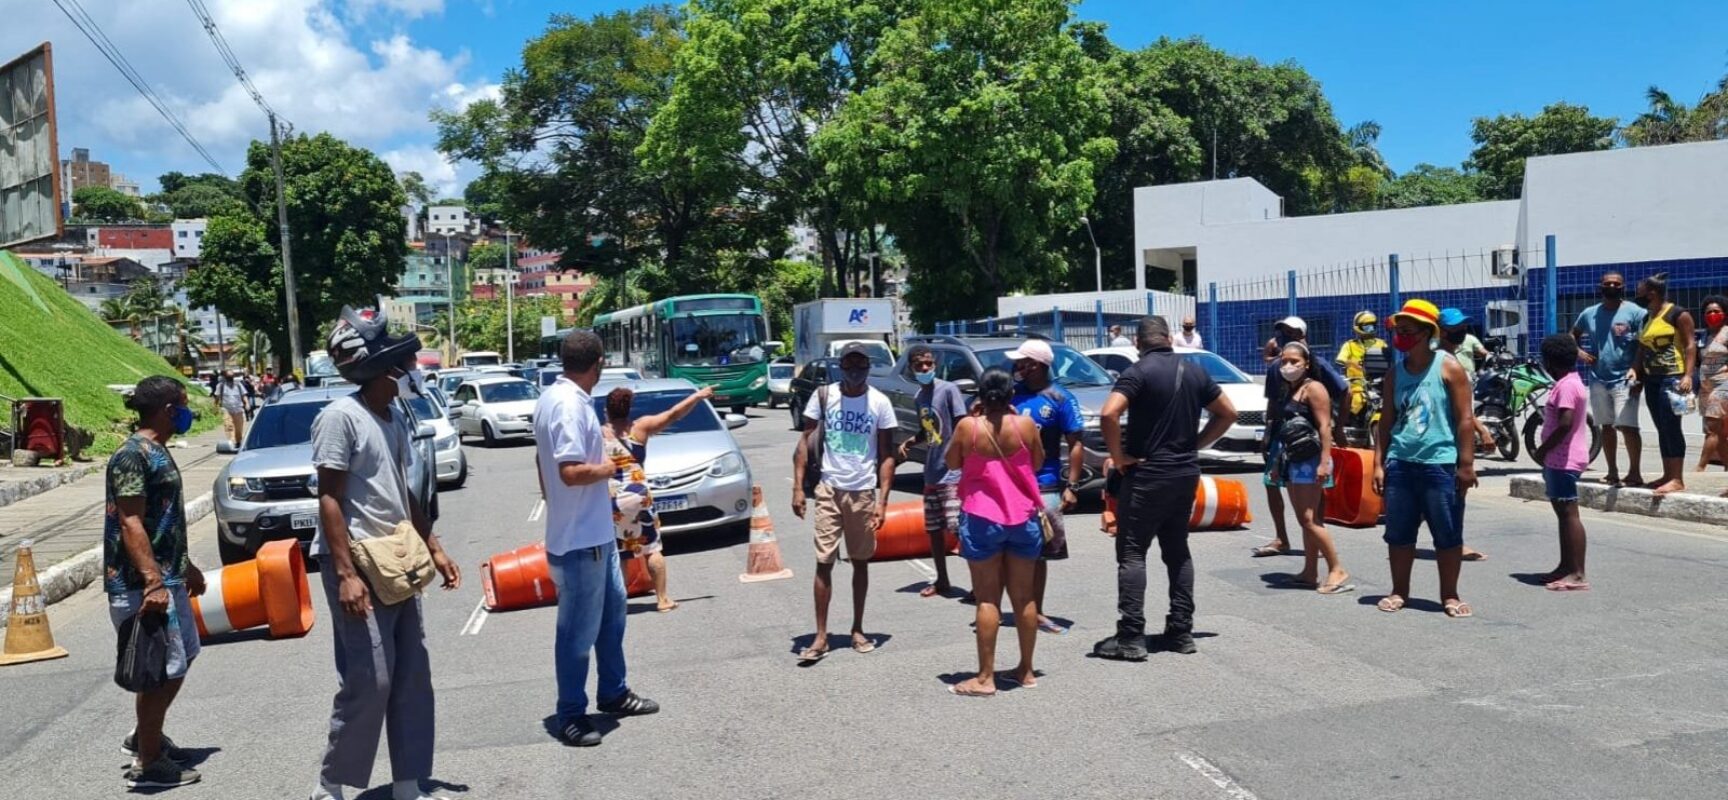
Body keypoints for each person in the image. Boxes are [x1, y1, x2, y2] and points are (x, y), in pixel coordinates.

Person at [310, 307, 461, 800]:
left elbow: (404, 492)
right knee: (370, 678)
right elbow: (329, 497)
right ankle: (332, 783)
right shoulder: (339, 418)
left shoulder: (392, 416)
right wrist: (345, 574)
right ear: (382, 370)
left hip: (396, 562)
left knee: (412, 674)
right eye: (403, 365)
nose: (411, 372)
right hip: (357, 567)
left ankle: (407, 781)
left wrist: (434, 546)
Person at [533, 331, 660, 748]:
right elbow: (570, 471)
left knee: (612, 616)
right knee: (576, 633)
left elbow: (543, 462)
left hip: (595, 535)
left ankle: (613, 692)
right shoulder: (569, 405)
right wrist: (610, 468)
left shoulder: (559, 397)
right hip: (578, 542)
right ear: (599, 362)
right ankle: (570, 713)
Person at [1096, 316, 1236, 660]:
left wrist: (1119, 457)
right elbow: (1227, 413)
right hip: (1184, 473)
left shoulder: (1137, 372)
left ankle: (1131, 637)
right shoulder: (1195, 371)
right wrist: (1196, 444)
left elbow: (1108, 415)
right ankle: (1181, 631)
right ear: (1170, 338)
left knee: (1131, 553)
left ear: (1138, 343)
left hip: (1146, 475)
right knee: (1177, 551)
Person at [106, 376, 205, 789]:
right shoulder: (132, 456)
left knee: (180, 660)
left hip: (169, 575)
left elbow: (159, 519)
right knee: (161, 670)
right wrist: (152, 582)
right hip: (140, 584)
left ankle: (145, 736)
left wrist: (186, 566)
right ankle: (149, 763)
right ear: (167, 409)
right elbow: (130, 521)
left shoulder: (157, 450)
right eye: (182, 404)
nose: (187, 412)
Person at [1373, 299, 1478, 618]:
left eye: (1407, 330)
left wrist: (1466, 464)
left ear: (1426, 333)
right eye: (1398, 330)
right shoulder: (1395, 374)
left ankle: (1449, 594)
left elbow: (1464, 418)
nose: (1400, 336)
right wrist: (1379, 463)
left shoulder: (1448, 368)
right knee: (1399, 533)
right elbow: (1386, 421)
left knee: (1447, 534)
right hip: (1401, 464)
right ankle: (1399, 590)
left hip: (1440, 464)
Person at [792, 342, 896, 662]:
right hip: (828, 488)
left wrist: (883, 500)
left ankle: (857, 628)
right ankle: (821, 636)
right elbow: (805, 442)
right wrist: (798, 487)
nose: (854, 370)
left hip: (863, 491)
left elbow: (887, 455)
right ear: (841, 366)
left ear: (868, 367)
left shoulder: (880, 403)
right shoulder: (824, 396)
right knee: (824, 561)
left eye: (860, 365)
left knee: (860, 561)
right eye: (849, 364)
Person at [944, 368, 1045, 696]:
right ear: (1010, 395)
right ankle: (1026, 670)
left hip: (982, 517)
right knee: (1024, 596)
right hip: (1022, 516)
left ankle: (985, 677)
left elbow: (952, 463)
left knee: (988, 597)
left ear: (980, 395)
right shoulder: (1026, 425)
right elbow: (1038, 463)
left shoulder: (968, 428)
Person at [602, 383, 716, 612]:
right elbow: (674, 413)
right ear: (629, 408)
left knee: (621, 553)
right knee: (652, 548)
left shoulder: (599, 433)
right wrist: (698, 396)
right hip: (639, 495)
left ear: (607, 410)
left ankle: (617, 604)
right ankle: (663, 599)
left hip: (612, 498)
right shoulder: (640, 428)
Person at [1252, 317, 1348, 558]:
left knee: (1313, 498)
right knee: (1272, 482)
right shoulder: (1278, 367)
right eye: (1282, 332)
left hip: (1310, 444)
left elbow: (1343, 392)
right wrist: (1268, 432)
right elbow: (1273, 402)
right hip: (1282, 436)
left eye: (1291, 332)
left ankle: (1318, 536)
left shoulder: (1317, 370)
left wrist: (1338, 429)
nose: (1285, 336)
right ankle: (1283, 537)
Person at [1007, 338, 1082, 635]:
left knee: (1039, 553)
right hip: (1009, 485)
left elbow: (1076, 443)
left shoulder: (1060, 399)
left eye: (1021, 363)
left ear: (1036, 366)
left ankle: (1036, 610)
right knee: (1010, 550)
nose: (1016, 368)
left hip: (1044, 485)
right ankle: (1018, 606)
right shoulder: (1011, 395)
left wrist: (1072, 485)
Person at [1265, 342, 1351, 594]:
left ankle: (1337, 568)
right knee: (1306, 519)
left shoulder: (1314, 388)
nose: (1288, 366)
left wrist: (1325, 462)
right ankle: (1309, 571)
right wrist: (1277, 463)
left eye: (1294, 361)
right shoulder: (1289, 389)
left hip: (1311, 460)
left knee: (1309, 519)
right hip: (1293, 458)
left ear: (1307, 364)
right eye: (1284, 361)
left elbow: (1325, 427)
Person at [897, 344, 971, 598]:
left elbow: (963, 424)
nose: (925, 368)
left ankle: (980, 581)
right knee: (934, 529)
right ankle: (942, 580)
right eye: (919, 365)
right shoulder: (919, 397)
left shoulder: (948, 390)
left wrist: (963, 461)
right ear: (912, 368)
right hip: (932, 472)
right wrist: (911, 440)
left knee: (957, 526)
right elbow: (929, 429)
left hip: (952, 473)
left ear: (935, 365)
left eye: (929, 364)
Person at [1571, 271, 1648, 487]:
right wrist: (1580, 352)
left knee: (1629, 427)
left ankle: (1634, 473)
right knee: (1606, 426)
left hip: (1626, 378)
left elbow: (1644, 344)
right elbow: (1572, 334)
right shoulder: (1589, 313)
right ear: (1600, 287)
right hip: (1598, 379)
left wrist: (1636, 369)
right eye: (1608, 284)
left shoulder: (1635, 312)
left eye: (1616, 284)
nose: (1612, 286)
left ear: (1623, 287)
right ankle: (1612, 471)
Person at [1531, 334, 1592, 591]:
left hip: (1563, 459)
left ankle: (1577, 573)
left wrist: (1543, 449)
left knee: (1569, 515)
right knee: (1563, 515)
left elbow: (1565, 423)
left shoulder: (1566, 386)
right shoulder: (1571, 381)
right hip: (1560, 460)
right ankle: (1565, 566)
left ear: (1550, 361)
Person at [1435, 308, 1493, 562]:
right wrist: (1481, 431)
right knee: (1456, 492)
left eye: (1463, 327)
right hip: (1447, 436)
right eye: (1456, 328)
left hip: (1455, 432)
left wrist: (1480, 429)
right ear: (1441, 331)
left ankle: (1449, 539)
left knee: (1453, 492)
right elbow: (1459, 410)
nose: (1462, 332)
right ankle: (1453, 542)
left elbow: (1464, 407)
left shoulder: (1453, 357)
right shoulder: (1440, 361)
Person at [1635, 272, 1698, 496]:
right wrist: (1636, 371)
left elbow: (1691, 345)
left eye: (1640, 290)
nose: (1637, 294)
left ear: (1652, 292)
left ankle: (1677, 478)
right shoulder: (1647, 317)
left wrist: (1688, 375)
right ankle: (1667, 473)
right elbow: (1642, 348)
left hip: (1673, 377)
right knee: (1661, 426)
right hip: (1652, 378)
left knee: (1671, 426)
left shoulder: (1678, 314)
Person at [1335, 311, 1388, 432]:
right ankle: (1351, 424)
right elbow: (1341, 359)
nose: (1371, 329)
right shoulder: (1349, 345)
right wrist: (1348, 363)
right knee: (1358, 400)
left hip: (1378, 384)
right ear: (1358, 328)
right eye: (1367, 326)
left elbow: (1388, 361)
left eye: (1373, 326)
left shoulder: (1381, 344)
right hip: (1357, 385)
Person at [1695, 295, 1728, 488]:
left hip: (1723, 386)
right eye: (1709, 312)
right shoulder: (1704, 335)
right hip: (1706, 387)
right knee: (1721, 433)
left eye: (1716, 311)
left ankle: (1700, 468)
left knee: (1712, 428)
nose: (1713, 315)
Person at [211, 370, 247, 448]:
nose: (230, 378)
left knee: (239, 428)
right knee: (229, 426)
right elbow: (217, 398)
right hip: (226, 409)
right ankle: (232, 441)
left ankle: (238, 441)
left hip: (238, 409)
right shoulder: (220, 386)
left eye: (232, 377)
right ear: (225, 377)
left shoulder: (238, 385)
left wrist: (247, 403)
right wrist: (215, 407)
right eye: (228, 377)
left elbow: (244, 395)